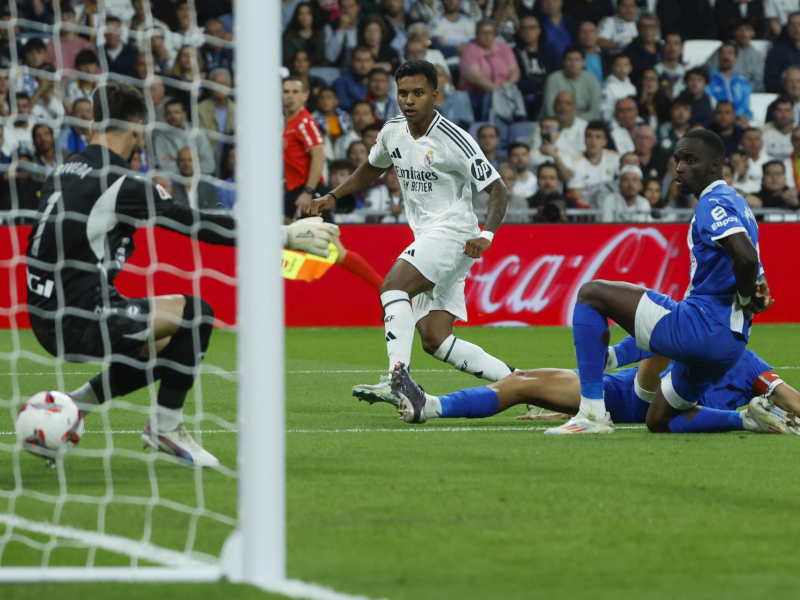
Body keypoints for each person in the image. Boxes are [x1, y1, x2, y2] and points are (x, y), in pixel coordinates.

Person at [25, 83, 236, 467]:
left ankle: (74, 407)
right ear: (138, 128)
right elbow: (195, 224)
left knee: (163, 344)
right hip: (80, 318)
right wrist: (281, 234)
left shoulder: (63, 169)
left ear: (93, 123)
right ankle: (166, 426)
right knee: (197, 313)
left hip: (42, 314)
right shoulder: (121, 180)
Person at [308, 60, 516, 393]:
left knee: (393, 288)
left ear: (435, 94)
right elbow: (372, 166)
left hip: (454, 233)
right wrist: (333, 195)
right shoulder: (393, 130)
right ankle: (528, 385)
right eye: (403, 93)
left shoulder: (455, 140)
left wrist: (486, 235)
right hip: (430, 235)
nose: (409, 100)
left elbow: (497, 189)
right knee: (435, 338)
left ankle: (397, 379)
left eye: (418, 93)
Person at [548, 129, 770, 435]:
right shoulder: (740, 205)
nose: (679, 168)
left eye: (690, 160)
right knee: (658, 420)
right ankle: (748, 419)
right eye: (678, 160)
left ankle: (591, 414)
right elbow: (753, 267)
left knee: (591, 294)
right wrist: (753, 297)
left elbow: (744, 257)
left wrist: (746, 297)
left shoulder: (711, 202)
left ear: (715, 165)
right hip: (731, 344)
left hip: (701, 328)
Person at [365, 341, 800, 437]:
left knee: (520, 384)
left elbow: (790, 398)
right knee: (523, 382)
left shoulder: (746, 360)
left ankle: (431, 406)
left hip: (643, 403)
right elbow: (786, 398)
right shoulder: (739, 356)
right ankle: (431, 406)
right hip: (622, 393)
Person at [282, 77, 326, 222]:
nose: (290, 96)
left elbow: (319, 155)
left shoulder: (304, 122)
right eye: (286, 91)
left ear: (304, 97)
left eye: (295, 92)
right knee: (285, 228)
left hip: (307, 188)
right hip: (293, 189)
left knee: (325, 235)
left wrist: (308, 191)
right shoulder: (289, 123)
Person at [458, 19, 519, 119]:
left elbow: (514, 70)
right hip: (477, 95)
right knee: (490, 100)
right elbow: (476, 78)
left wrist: (508, 86)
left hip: (505, 91)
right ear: (477, 34)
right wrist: (498, 91)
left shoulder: (504, 48)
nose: (488, 36)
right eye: (484, 32)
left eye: (491, 32)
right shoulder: (470, 51)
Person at [514, 15, 558, 120]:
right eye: (524, 28)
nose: (528, 32)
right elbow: (516, 79)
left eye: (532, 28)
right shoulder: (514, 52)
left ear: (539, 30)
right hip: (526, 94)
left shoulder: (549, 50)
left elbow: (558, 72)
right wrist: (536, 88)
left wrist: (546, 87)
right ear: (519, 31)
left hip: (549, 90)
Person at [539, 46, 601, 121]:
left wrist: (574, 122)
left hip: (583, 123)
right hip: (554, 123)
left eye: (577, 60)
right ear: (563, 62)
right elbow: (550, 111)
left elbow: (595, 112)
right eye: (569, 59)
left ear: (584, 62)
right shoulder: (553, 79)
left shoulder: (592, 80)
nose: (573, 63)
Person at [154, 99, 215, 176]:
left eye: (177, 112)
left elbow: (209, 166)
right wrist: (194, 162)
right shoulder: (160, 139)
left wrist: (175, 160)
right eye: (169, 113)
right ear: (165, 116)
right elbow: (165, 167)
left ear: (184, 114)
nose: (173, 116)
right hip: (173, 182)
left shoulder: (198, 135)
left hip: (199, 180)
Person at [567, 120, 620, 207]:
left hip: (611, 208)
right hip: (586, 212)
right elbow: (576, 197)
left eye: (598, 137)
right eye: (589, 136)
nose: (592, 141)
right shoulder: (574, 162)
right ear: (584, 139)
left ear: (605, 142)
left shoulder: (615, 158)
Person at [705, 21, 765, 93]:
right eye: (740, 29)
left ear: (753, 33)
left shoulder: (758, 55)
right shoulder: (724, 49)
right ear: (734, 32)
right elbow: (709, 71)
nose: (744, 32)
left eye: (747, 29)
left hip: (745, 92)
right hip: (720, 89)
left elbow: (758, 81)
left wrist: (742, 90)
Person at [706, 43, 753, 123]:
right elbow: (709, 103)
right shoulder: (708, 79)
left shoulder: (743, 82)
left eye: (730, 53)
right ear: (718, 57)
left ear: (736, 58)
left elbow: (745, 106)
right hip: (716, 119)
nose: (726, 56)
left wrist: (736, 117)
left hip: (738, 120)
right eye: (723, 53)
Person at [532, 91, 588, 157]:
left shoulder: (585, 126)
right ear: (554, 107)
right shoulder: (542, 126)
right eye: (559, 103)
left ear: (574, 108)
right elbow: (534, 152)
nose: (563, 107)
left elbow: (584, 153)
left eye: (568, 103)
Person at [198, 68, 235, 166]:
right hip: (207, 157)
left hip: (232, 159)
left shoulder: (239, 110)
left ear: (230, 86)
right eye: (217, 84)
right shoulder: (200, 109)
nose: (220, 87)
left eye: (224, 84)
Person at [45, 4, 99, 71]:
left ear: (74, 20)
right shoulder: (49, 47)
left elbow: (98, 71)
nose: (65, 21)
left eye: (68, 17)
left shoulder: (86, 46)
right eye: (61, 18)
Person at [283, 2, 326, 68]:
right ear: (297, 17)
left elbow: (322, 58)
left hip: (317, 70)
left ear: (313, 15)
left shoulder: (320, 35)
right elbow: (288, 61)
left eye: (308, 13)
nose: (304, 17)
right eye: (301, 14)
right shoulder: (289, 37)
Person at [765, 12, 800, 93]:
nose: (797, 28)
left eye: (799, 24)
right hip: (786, 98)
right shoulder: (776, 52)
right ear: (787, 28)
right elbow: (770, 82)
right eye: (792, 25)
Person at [332, 46, 375, 112]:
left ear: (372, 62)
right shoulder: (341, 82)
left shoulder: (379, 80)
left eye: (367, 60)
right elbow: (344, 108)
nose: (363, 65)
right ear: (351, 62)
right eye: (359, 60)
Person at [623, 12, 662, 81]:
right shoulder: (631, 50)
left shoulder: (662, 48)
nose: (647, 30)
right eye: (643, 27)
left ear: (657, 29)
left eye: (651, 27)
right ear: (638, 29)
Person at [324, 0, 360, 68]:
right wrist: (340, 28)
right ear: (339, 9)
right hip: (338, 69)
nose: (347, 11)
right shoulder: (330, 27)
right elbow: (330, 57)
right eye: (344, 7)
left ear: (358, 7)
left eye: (351, 6)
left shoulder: (364, 25)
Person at [600, 54, 636, 123]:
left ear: (631, 68)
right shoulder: (608, 87)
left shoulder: (632, 87)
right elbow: (605, 111)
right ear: (612, 67)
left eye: (625, 65)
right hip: (615, 122)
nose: (622, 68)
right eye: (618, 65)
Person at [739, 127, 775, 194]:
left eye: (757, 139)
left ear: (762, 141)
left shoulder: (771, 162)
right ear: (742, 142)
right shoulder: (736, 162)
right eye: (749, 139)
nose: (754, 143)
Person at [654, 33, 686, 100]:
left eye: (676, 44)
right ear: (663, 47)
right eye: (669, 43)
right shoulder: (655, 70)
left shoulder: (686, 71)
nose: (672, 47)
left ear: (681, 49)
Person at [762, 95, 794, 161]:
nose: (784, 115)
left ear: (793, 113)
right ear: (774, 113)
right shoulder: (764, 132)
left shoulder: (797, 132)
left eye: (787, 110)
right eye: (780, 110)